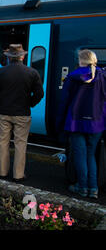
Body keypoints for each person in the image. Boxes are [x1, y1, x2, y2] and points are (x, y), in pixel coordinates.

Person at [0, 44, 44, 183]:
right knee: (20, 144)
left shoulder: (0, 72)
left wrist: (1, 102)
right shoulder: (32, 72)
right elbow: (39, 93)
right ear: (23, 56)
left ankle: (2, 172)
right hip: (22, 113)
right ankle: (18, 175)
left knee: (2, 142)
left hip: (4, 112)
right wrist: (30, 103)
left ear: (8, 57)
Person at [57, 50, 105, 199]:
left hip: (76, 122)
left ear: (80, 60)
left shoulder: (72, 77)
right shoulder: (103, 76)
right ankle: (93, 188)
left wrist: (60, 123)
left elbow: (64, 102)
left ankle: (82, 186)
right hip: (97, 123)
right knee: (91, 154)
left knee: (80, 155)